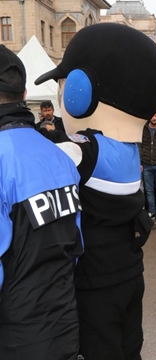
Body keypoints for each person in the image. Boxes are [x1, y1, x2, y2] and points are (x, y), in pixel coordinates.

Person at [34, 23, 156, 359]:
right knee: (130, 347)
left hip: (95, 279)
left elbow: (31, 162)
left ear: (81, 90)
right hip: (131, 270)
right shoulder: (128, 147)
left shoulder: (83, 149)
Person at [0, 43, 83, 360]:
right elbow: (75, 246)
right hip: (63, 321)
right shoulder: (60, 156)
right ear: (23, 95)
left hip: (14, 334)